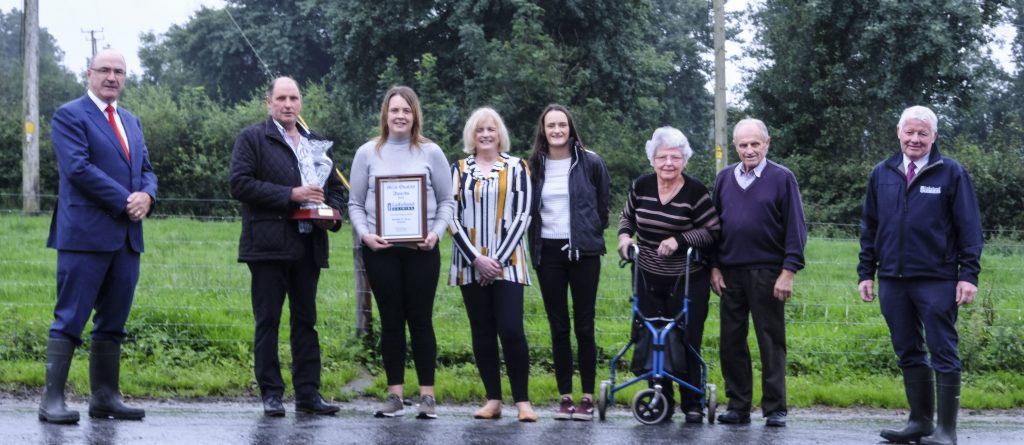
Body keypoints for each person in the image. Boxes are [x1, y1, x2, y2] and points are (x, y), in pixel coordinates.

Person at [40, 49, 155, 424]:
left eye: (118, 71)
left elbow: (147, 169)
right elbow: (78, 168)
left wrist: (147, 195)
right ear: (88, 74)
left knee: (113, 321)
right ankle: (51, 401)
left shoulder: (131, 121)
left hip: (126, 239)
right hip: (84, 237)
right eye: (104, 70)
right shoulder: (70, 115)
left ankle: (104, 398)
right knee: (70, 317)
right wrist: (127, 199)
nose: (111, 77)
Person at [858, 106, 983, 445]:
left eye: (922, 133)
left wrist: (968, 275)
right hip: (893, 280)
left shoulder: (951, 173)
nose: (915, 139)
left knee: (943, 350)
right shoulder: (882, 173)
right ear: (899, 134)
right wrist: (865, 273)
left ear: (934, 137)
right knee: (907, 350)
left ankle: (946, 431)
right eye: (909, 132)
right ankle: (920, 422)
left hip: (937, 279)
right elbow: (869, 227)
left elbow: (969, 228)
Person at [229, 76, 344, 417]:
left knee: (306, 321)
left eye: (294, 98)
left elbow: (336, 191)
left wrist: (331, 218)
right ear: (269, 103)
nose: (288, 104)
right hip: (268, 246)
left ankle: (309, 393)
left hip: (309, 245)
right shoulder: (253, 139)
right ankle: (272, 393)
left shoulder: (317, 142)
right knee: (268, 321)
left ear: (301, 102)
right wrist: (290, 196)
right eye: (281, 98)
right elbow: (240, 184)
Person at [348, 86, 455, 419]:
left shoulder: (431, 152)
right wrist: (365, 235)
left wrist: (436, 234)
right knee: (391, 322)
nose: (399, 116)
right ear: (385, 114)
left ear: (414, 115)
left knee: (421, 321)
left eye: (406, 111)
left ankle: (427, 397)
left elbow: (447, 201)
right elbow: (354, 203)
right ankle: (395, 395)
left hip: (422, 250)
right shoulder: (367, 153)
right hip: (381, 252)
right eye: (394, 110)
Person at [617, 127, 720, 424]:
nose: (668, 164)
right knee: (651, 337)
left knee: (686, 338)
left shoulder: (696, 191)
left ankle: (693, 403)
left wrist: (681, 240)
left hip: (687, 279)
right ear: (653, 159)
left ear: (684, 160)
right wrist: (625, 238)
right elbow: (627, 217)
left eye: (675, 157)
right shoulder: (642, 185)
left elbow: (712, 230)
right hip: (647, 275)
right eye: (662, 157)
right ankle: (660, 399)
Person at [710, 118, 806, 427]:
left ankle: (775, 408)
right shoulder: (724, 179)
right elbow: (713, 228)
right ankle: (738, 406)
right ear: (734, 147)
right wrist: (713, 265)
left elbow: (796, 227)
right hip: (730, 273)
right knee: (731, 342)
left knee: (771, 340)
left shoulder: (782, 178)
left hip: (768, 272)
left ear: (767, 143)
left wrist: (788, 270)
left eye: (755, 144)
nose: (749, 150)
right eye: (743, 145)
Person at [448, 107, 537, 422]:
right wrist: (476, 259)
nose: (485, 135)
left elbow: (523, 214)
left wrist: (495, 261)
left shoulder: (517, 167)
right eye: (479, 130)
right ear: (471, 135)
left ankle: (523, 401)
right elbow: (451, 216)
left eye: (491, 130)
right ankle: (493, 400)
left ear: (501, 135)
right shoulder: (457, 169)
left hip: (508, 263)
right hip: (469, 263)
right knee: (482, 331)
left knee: (511, 329)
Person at [527, 104, 611, 421]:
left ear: (570, 127)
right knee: (559, 327)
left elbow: (602, 208)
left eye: (562, 124)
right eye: (551, 126)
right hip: (548, 254)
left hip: (584, 254)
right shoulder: (534, 166)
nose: (557, 130)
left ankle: (587, 397)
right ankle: (565, 397)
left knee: (585, 326)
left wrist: (585, 233)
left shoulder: (591, 163)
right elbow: (529, 210)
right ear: (543, 131)